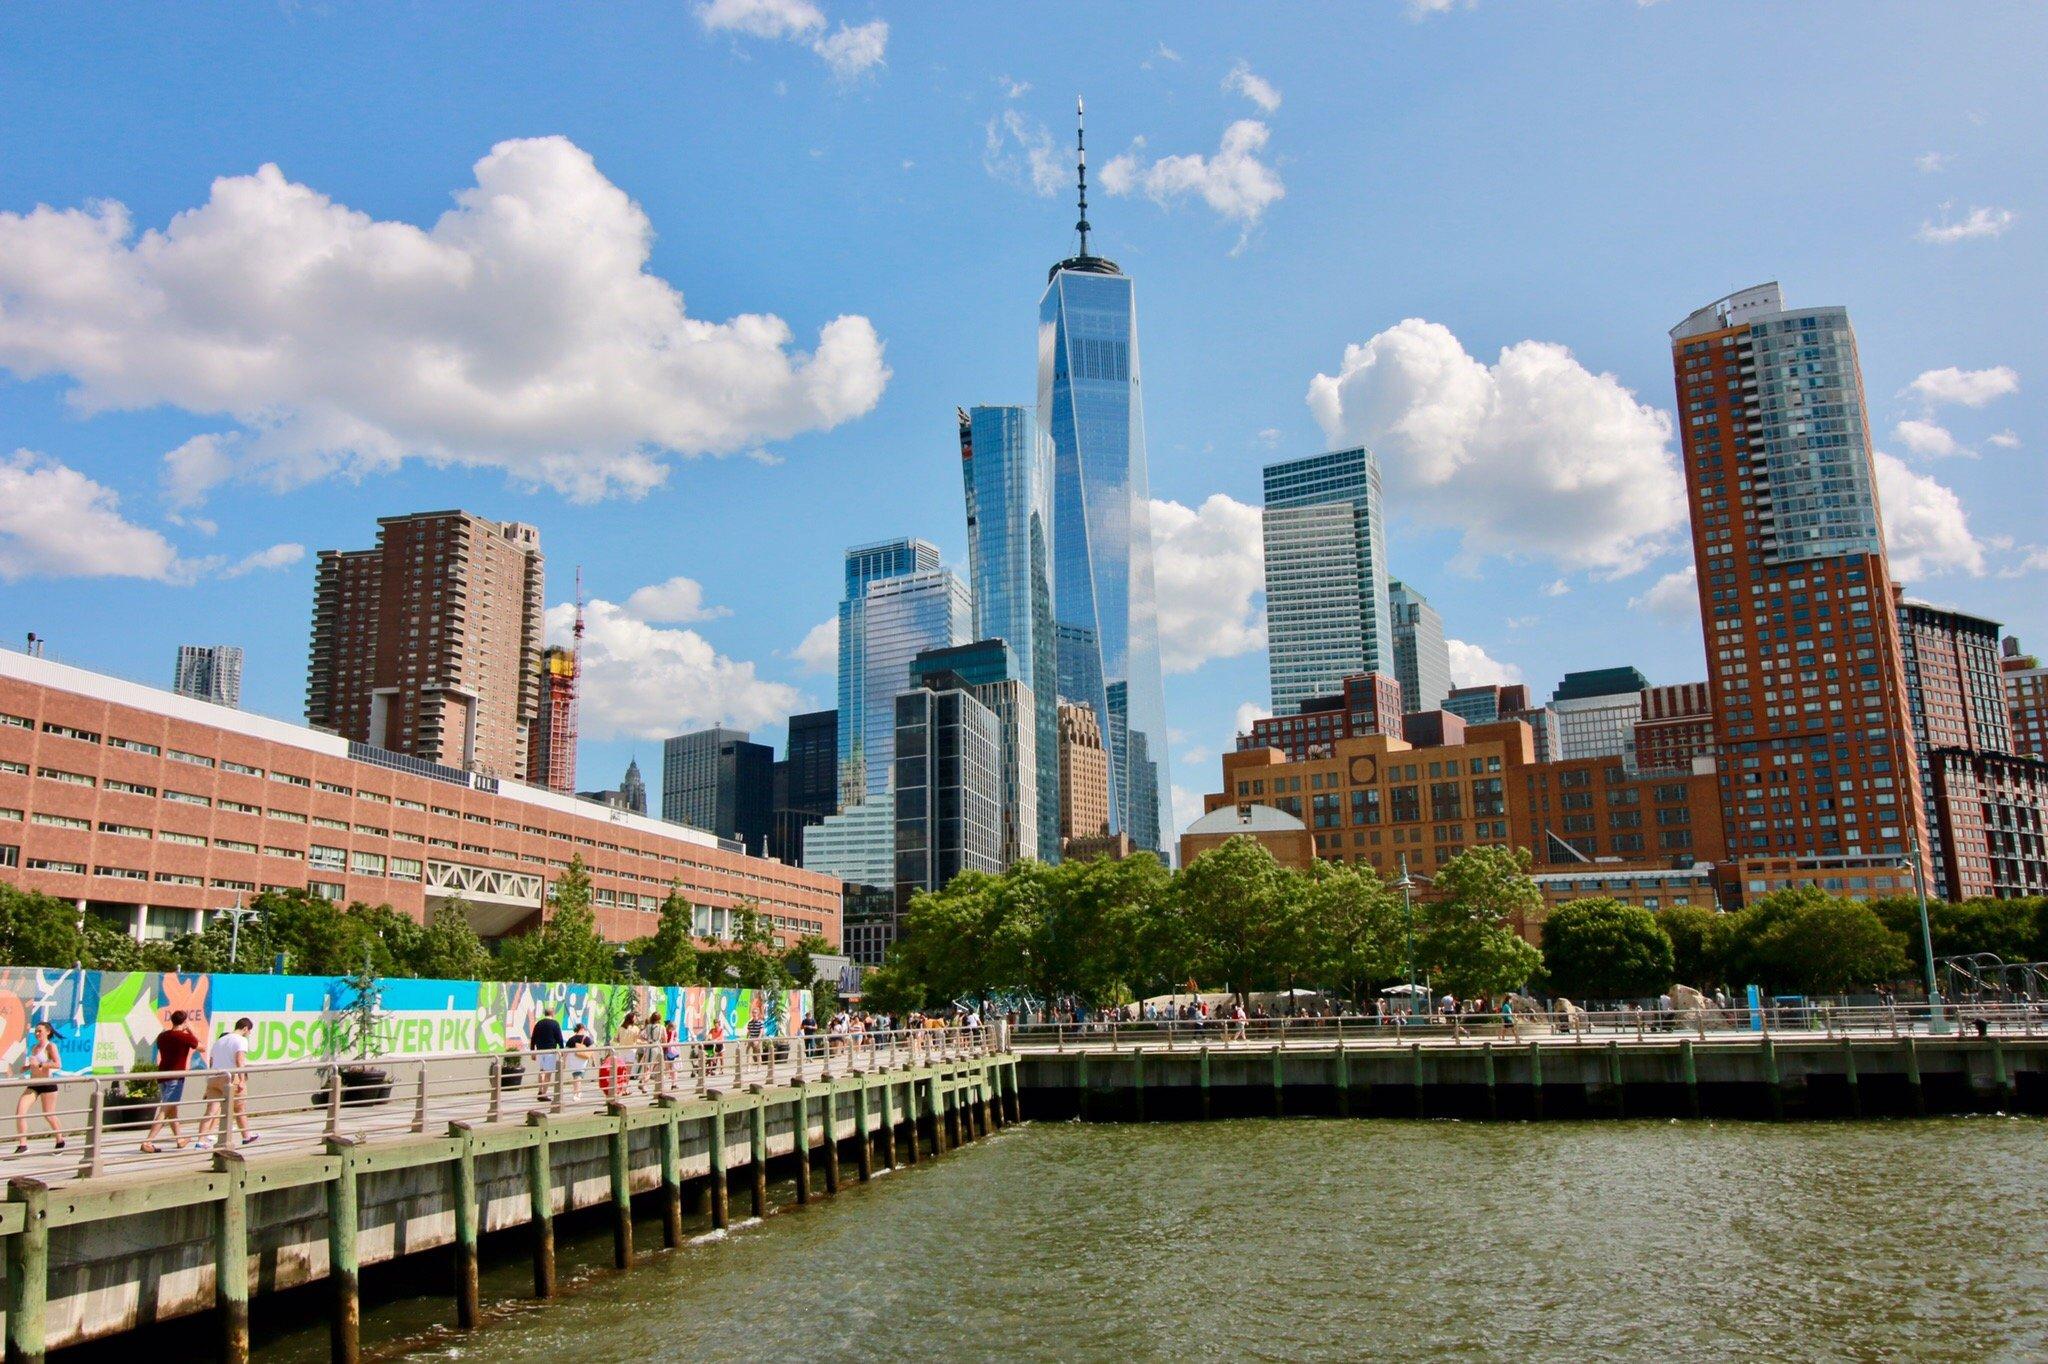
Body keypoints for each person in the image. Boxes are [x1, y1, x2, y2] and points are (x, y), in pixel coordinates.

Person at [142, 1009, 205, 1153]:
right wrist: (189, 1031)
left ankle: (179, 1139)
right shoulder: (184, 1037)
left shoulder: (162, 1036)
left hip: (163, 1075)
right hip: (176, 1077)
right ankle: (148, 1141)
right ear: (184, 1022)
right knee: (165, 1109)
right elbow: (202, 1048)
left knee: (172, 1110)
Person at [197, 1017, 258, 1149]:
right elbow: (240, 1061)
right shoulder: (241, 1040)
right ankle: (246, 1136)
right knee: (240, 1107)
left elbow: (211, 1061)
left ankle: (200, 1140)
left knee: (211, 1110)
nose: (248, 1035)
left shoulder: (220, 1040)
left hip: (214, 1077)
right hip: (230, 1077)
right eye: (249, 1032)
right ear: (245, 1029)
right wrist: (242, 1080)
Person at [13, 1021, 66, 1154]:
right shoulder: (34, 1047)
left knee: (48, 1114)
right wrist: (27, 1068)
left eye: (40, 1031)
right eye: (35, 1031)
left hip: (47, 1083)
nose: (37, 1033)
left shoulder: (50, 1046)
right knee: (20, 1111)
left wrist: (41, 1064)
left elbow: (58, 1064)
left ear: (48, 1032)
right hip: (34, 1084)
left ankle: (60, 1140)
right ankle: (23, 1145)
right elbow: (34, 1065)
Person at [530, 1005, 565, 1102]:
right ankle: (544, 1093)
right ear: (553, 1013)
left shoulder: (539, 1024)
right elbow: (559, 1038)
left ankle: (540, 1090)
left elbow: (533, 1038)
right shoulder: (555, 1024)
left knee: (542, 1070)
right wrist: (562, 1050)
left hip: (540, 1050)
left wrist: (533, 1051)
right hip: (550, 1051)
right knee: (548, 1073)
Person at [566, 1022, 594, 1100]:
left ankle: (577, 1092)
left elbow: (565, 1051)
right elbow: (592, 1050)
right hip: (582, 1059)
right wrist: (593, 1060)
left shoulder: (571, 1039)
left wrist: (563, 1061)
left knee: (576, 1076)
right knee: (578, 1076)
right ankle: (577, 1093)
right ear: (582, 1029)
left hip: (572, 1059)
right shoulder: (587, 1039)